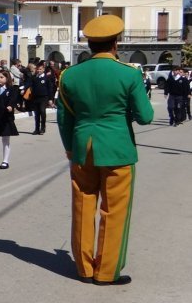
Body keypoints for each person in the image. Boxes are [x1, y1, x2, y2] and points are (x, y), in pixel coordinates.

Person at [56, 15, 153, 285]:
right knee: (114, 211)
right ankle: (107, 271)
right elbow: (145, 116)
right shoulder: (129, 73)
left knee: (83, 205)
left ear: (89, 43)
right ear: (116, 43)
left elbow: (64, 118)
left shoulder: (69, 75)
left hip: (81, 147)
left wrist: (69, 148)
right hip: (117, 149)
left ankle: (84, 268)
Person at [29, 61, 54, 134]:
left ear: (43, 70)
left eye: (40, 69)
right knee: (37, 114)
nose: (39, 71)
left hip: (44, 98)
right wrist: (24, 88)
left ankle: (43, 128)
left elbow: (50, 89)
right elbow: (30, 85)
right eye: (38, 69)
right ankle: (36, 129)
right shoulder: (34, 78)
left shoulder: (46, 78)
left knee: (42, 112)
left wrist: (50, 99)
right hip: (36, 98)